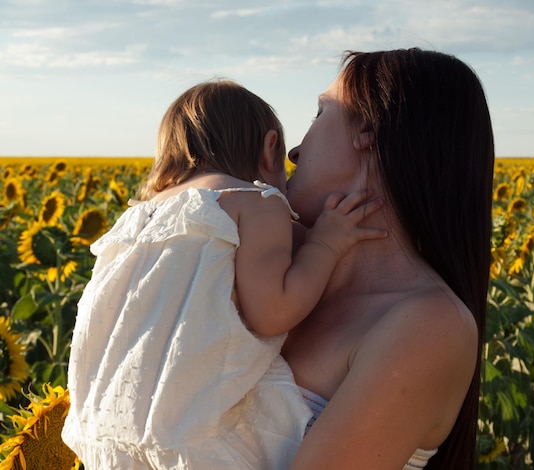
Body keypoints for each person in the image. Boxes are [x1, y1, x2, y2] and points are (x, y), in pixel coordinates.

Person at [61, 79, 386, 469]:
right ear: (270, 151)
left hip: (105, 434)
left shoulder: (134, 221)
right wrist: (327, 244)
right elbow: (273, 313)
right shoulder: (255, 203)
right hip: (190, 439)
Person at [282, 48, 495, 469]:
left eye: (319, 114)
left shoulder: (430, 326)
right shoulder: (277, 268)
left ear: (370, 132)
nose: (293, 151)